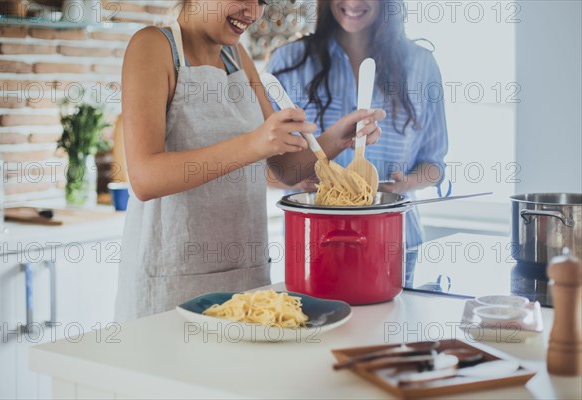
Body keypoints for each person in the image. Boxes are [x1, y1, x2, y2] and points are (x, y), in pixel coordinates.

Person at [115, 0, 384, 321]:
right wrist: (253, 144)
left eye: (262, 2)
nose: (254, 13)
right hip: (172, 283)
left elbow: (284, 168)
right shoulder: (152, 47)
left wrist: (336, 138)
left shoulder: (237, 57)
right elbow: (144, 178)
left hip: (244, 279)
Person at [267, 0, 449, 253]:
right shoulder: (289, 61)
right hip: (314, 243)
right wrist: (296, 182)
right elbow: (262, 167)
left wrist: (404, 184)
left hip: (396, 242)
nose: (352, 3)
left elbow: (435, 166)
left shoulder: (421, 65)